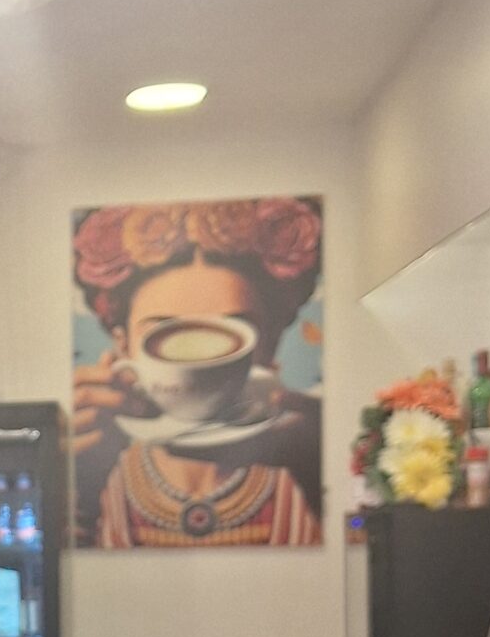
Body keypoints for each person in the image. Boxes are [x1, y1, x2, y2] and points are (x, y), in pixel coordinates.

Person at [70, 199, 322, 548]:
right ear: (123, 347)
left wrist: (321, 465)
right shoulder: (100, 471)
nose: (200, 359)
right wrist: (72, 479)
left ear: (270, 342)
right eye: (162, 330)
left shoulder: (304, 464)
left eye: (235, 328)